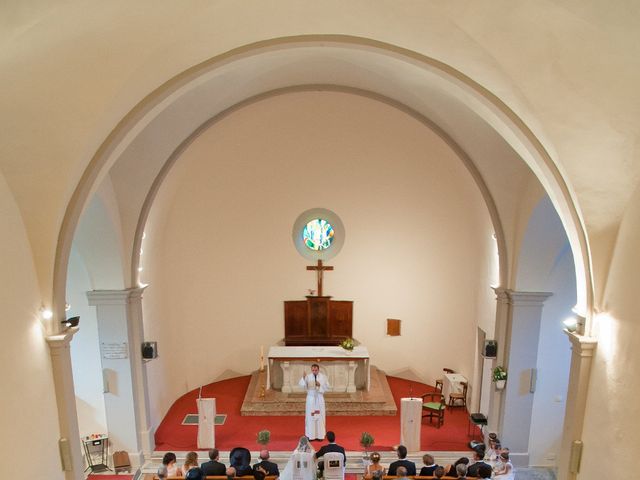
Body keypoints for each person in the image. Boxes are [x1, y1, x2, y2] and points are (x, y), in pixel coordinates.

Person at [299, 363, 330, 440]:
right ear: (311, 370)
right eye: (313, 370)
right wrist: (303, 378)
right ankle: (311, 435)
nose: (314, 371)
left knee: (320, 416)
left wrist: (320, 385)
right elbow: (302, 386)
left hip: (319, 399)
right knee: (311, 416)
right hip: (311, 399)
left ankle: (320, 435)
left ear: (318, 370)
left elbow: (327, 388)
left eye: (316, 370)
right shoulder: (308, 377)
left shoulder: (323, 377)